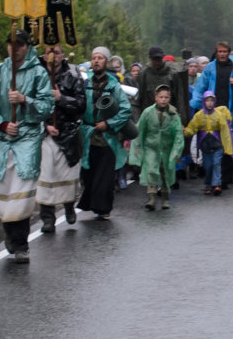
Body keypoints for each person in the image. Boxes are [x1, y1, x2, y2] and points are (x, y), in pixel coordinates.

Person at [0, 30, 53, 262]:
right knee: (5, 193)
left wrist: (25, 100)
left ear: (27, 47)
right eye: (10, 44)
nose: (14, 49)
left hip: (27, 138)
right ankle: (10, 234)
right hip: (2, 140)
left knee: (22, 194)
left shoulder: (39, 73)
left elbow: (47, 107)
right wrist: (2, 124)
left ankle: (21, 244)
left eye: (19, 45)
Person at [190, 42, 233, 187]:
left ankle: (224, 179)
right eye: (220, 51)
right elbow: (200, 87)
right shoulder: (209, 68)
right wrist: (195, 103)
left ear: (229, 52)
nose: (222, 54)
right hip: (211, 111)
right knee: (210, 144)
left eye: (225, 51)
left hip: (228, 112)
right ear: (216, 52)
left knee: (227, 143)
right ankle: (212, 178)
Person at [35, 44, 85, 233]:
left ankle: (68, 205)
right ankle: (47, 217)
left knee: (67, 176)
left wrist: (61, 98)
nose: (52, 56)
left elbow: (81, 104)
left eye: (56, 53)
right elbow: (30, 104)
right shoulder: (36, 75)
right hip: (44, 134)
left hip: (68, 133)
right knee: (45, 176)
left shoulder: (72, 75)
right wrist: (44, 125)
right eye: (49, 52)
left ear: (62, 55)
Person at [79, 46, 131, 220]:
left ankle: (103, 208)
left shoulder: (114, 85)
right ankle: (92, 204)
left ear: (106, 62)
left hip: (107, 139)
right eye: (94, 58)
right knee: (89, 175)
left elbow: (125, 110)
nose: (96, 61)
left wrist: (108, 124)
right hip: (87, 137)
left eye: (100, 58)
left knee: (105, 177)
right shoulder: (85, 84)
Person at [129, 84, 185, 211]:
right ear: (156, 97)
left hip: (166, 148)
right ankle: (152, 198)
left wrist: (176, 151)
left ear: (169, 98)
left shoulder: (173, 115)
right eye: (161, 97)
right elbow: (140, 130)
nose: (163, 99)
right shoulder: (147, 112)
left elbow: (178, 135)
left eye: (166, 97)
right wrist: (138, 147)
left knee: (165, 171)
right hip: (151, 147)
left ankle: (165, 198)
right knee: (151, 170)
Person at [184, 91, 233, 195]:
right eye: (207, 100)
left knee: (216, 163)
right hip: (205, 145)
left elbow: (225, 132)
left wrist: (227, 147)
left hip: (217, 144)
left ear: (214, 102)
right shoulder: (198, 115)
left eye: (212, 100)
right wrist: (185, 132)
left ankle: (216, 184)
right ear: (203, 102)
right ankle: (208, 185)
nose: (209, 103)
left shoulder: (219, 115)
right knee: (208, 166)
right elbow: (192, 127)